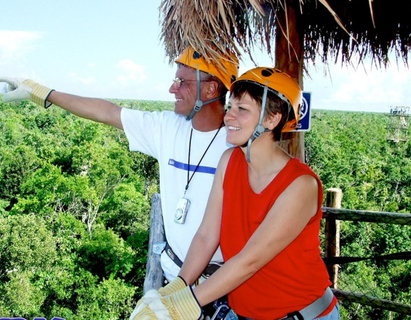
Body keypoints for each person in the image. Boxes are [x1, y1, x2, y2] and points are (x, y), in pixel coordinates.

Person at [0, 47, 239, 316]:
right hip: (173, 279)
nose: (172, 89)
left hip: (218, 288)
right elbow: (105, 111)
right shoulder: (166, 128)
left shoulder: (238, 146)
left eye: (182, 82)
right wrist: (42, 92)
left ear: (210, 90)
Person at [129, 67, 340, 320]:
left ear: (272, 119)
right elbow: (207, 235)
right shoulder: (229, 161)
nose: (229, 116)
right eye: (230, 107)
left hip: (299, 313)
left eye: (242, 110)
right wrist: (179, 284)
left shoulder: (300, 185)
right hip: (243, 311)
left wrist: (179, 307)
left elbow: (249, 261)